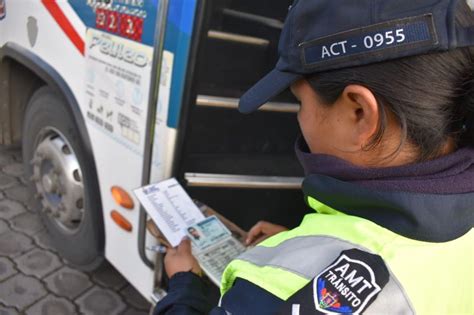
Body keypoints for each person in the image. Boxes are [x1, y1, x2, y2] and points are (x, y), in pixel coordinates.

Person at [154, 0, 474, 314]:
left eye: (300, 103)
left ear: (360, 113)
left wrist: (185, 285)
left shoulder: (273, 295)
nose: (300, 118)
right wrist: (307, 251)